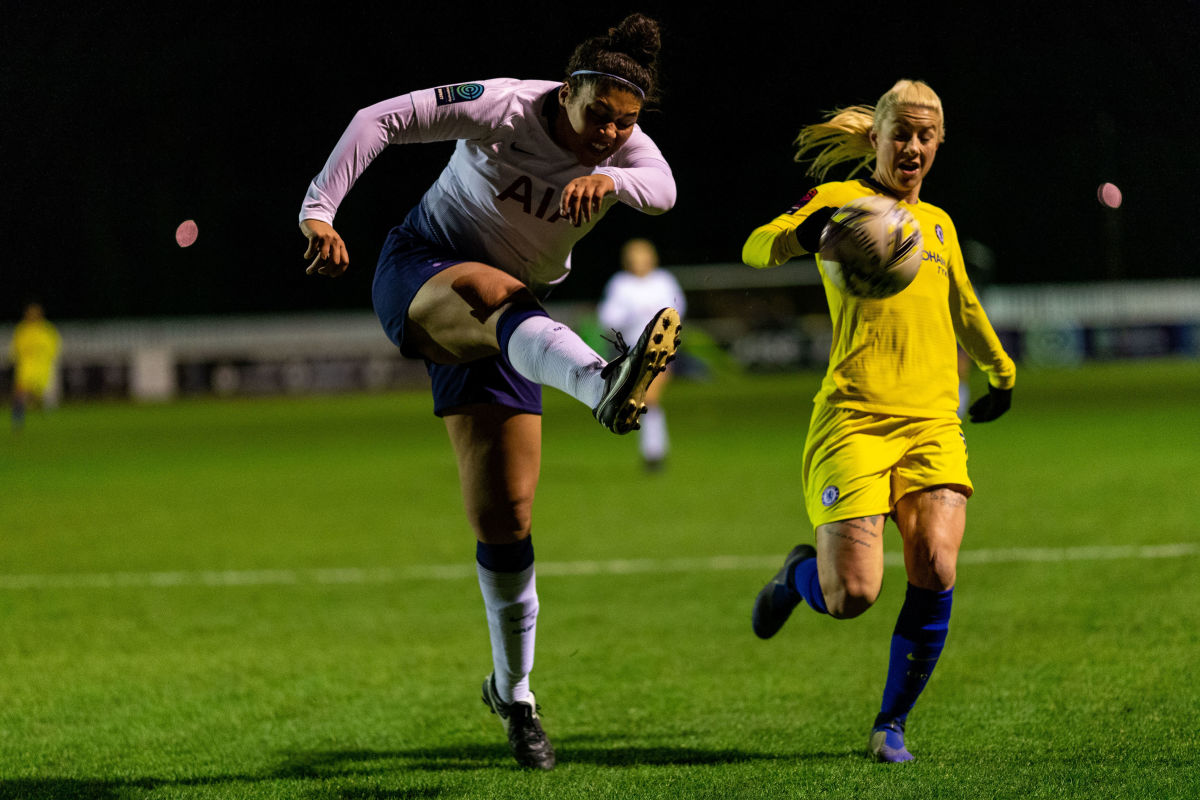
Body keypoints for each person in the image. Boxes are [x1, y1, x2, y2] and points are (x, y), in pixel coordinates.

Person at [297, 14, 680, 771]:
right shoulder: (501, 106)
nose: (609, 131)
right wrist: (318, 209)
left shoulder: (628, 150)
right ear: (566, 91)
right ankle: (601, 381)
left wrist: (612, 177)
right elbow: (382, 120)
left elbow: (663, 190)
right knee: (486, 284)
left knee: (505, 518)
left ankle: (516, 693)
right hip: (423, 270)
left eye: (624, 122)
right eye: (597, 114)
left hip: (517, 323)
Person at [741, 79, 1015, 763]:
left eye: (927, 136)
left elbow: (966, 309)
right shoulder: (840, 202)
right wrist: (801, 237)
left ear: (939, 141)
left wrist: (1001, 373)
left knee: (935, 564)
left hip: (930, 423)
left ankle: (890, 723)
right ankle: (795, 578)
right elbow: (755, 244)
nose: (914, 146)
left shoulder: (941, 226)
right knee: (851, 595)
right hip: (854, 420)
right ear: (878, 136)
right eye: (903, 133)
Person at [597, 238, 686, 470]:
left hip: (660, 349)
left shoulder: (664, 281)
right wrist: (630, 314)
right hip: (631, 350)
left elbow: (678, 309)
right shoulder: (620, 284)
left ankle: (654, 453)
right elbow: (607, 318)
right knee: (642, 400)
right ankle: (654, 453)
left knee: (649, 398)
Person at [9, 303, 62, 431]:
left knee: (34, 397)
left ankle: (42, 411)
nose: (32, 315)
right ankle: (18, 422)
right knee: (19, 393)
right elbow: (16, 349)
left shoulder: (47, 330)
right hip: (25, 368)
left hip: (41, 369)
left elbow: (54, 348)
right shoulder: (22, 330)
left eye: (35, 313)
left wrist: (46, 361)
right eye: (30, 312)